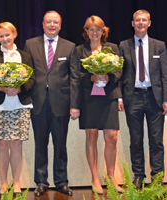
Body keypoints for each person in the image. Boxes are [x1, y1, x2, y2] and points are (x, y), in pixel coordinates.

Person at [24, 11, 81, 197]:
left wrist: (74, 104)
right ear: (42, 24)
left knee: (60, 144)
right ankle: (41, 182)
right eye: (49, 22)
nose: (52, 25)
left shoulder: (70, 47)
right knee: (40, 144)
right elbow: (27, 73)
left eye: (55, 22)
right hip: (38, 101)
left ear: (60, 25)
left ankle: (61, 181)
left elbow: (74, 78)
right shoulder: (30, 44)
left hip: (61, 103)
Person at [0, 22, 35, 197]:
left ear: (15, 34)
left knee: (17, 144)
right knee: (2, 144)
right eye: (1, 36)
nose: (5, 38)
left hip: (21, 104)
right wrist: (1, 88)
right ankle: (4, 183)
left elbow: (32, 80)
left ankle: (17, 182)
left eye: (8, 34)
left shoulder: (25, 56)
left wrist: (21, 88)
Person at [119, 9, 167, 189]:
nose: (140, 23)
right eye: (137, 20)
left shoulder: (159, 45)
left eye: (144, 20)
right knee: (136, 140)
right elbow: (120, 74)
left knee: (156, 141)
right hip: (133, 98)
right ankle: (138, 176)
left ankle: (157, 179)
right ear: (132, 23)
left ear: (149, 23)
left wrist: (166, 99)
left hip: (155, 98)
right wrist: (120, 99)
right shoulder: (124, 46)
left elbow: (164, 74)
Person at [76, 16, 123, 194]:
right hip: (89, 98)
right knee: (92, 136)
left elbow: (120, 72)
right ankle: (95, 177)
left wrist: (108, 77)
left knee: (112, 137)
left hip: (109, 96)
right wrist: (91, 78)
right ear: (86, 32)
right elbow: (75, 75)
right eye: (91, 29)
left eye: (98, 29)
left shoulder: (113, 49)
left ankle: (111, 179)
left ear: (104, 31)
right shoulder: (79, 50)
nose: (94, 32)